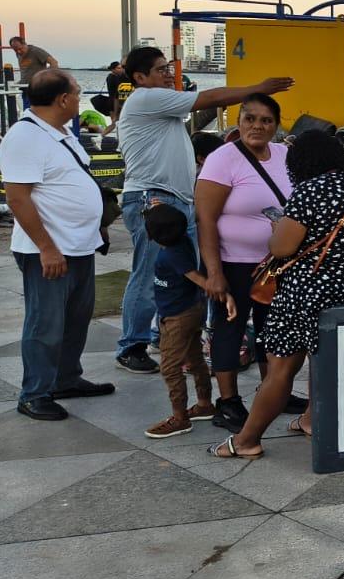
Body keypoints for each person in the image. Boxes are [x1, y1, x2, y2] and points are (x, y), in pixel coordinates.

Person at [208, 130, 344, 459]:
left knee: (281, 369)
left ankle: (247, 440)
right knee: (329, 357)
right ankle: (309, 418)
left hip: (308, 290)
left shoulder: (310, 190)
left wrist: (278, 228)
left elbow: (282, 248)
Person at [113, 45, 293, 374]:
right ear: (139, 77)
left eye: (169, 68)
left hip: (176, 197)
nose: (169, 75)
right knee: (150, 272)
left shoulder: (162, 106)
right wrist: (258, 89)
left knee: (183, 273)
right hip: (154, 198)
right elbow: (209, 98)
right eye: (161, 70)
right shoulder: (145, 98)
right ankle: (132, 345)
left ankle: (167, 337)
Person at [0, 69, 117, 420]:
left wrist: (96, 226)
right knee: (45, 324)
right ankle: (34, 393)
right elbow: (18, 199)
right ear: (63, 99)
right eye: (77, 93)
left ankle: (65, 379)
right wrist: (47, 248)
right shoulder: (24, 137)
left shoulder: (60, 132)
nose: (80, 99)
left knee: (76, 319)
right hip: (48, 249)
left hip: (78, 245)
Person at [195, 93, 306, 432]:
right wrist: (214, 273)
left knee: (274, 329)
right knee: (230, 328)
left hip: (276, 263)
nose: (257, 126)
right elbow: (205, 219)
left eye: (266, 120)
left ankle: (273, 389)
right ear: (239, 121)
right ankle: (228, 402)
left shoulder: (285, 155)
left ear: (276, 125)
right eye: (250, 119)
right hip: (234, 262)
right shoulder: (223, 159)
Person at [142, 205, 225, 438]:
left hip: (177, 317)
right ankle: (204, 404)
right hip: (190, 309)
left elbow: (195, 277)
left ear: (153, 235)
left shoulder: (171, 255)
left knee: (170, 367)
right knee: (194, 358)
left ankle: (180, 418)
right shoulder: (184, 241)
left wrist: (216, 288)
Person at [8, 36, 58, 106]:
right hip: (25, 88)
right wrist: (18, 83)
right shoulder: (18, 54)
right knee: (27, 110)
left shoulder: (36, 51)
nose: (18, 51)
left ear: (24, 43)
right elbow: (26, 71)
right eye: (15, 50)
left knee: (36, 109)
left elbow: (54, 63)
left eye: (20, 49)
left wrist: (44, 78)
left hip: (37, 88)